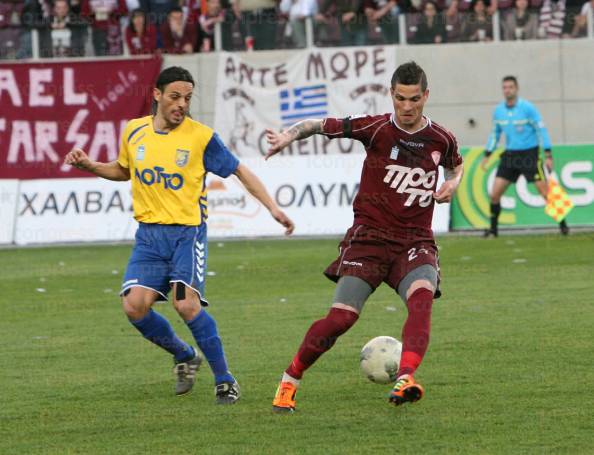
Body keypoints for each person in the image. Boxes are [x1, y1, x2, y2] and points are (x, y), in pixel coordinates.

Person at [63, 66, 294, 403]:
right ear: (156, 95)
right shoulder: (134, 131)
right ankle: (185, 355)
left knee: (185, 304)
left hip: (187, 235)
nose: (181, 104)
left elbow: (240, 171)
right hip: (148, 236)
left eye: (187, 98)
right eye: (174, 96)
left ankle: (225, 380)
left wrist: (272, 207)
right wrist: (91, 166)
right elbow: (124, 170)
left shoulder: (201, 137)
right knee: (133, 307)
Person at [265, 61, 464, 412]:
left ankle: (406, 377)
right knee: (341, 319)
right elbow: (320, 125)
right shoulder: (375, 129)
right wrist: (288, 136)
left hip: (415, 241)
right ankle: (290, 379)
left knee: (422, 299)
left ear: (426, 96)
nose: (407, 107)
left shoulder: (442, 138)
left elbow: (455, 164)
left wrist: (453, 183)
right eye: (400, 98)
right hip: (369, 240)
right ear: (391, 94)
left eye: (414, 99)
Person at [481, 76, 569, 236]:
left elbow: (541, 130)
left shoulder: (528, 108)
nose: (507, 90)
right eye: (505, 87)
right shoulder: (499, 111)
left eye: (510, 87)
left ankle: (563, 225)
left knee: (545, 193)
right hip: (509, 156)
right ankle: (493, 230)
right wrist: (487, 153)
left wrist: (548, 154)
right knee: (495, 194)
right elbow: (495, 134)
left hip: (530, 155)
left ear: (516, 88)